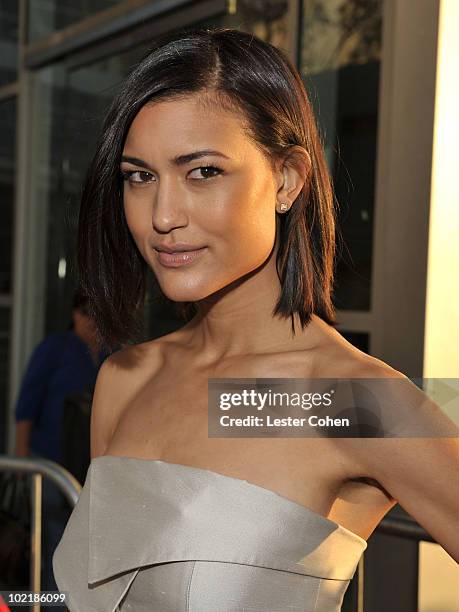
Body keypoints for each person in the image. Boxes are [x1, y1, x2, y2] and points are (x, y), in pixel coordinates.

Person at [52, 27, 459, 611]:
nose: (162, 216)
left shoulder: (348, 401)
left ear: (287, 180)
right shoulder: (127, 378)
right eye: (140, 177)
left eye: (204, 172)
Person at [14, 288, 108, 599]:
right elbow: (26, 407)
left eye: (97, 314)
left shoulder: (110, 355)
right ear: (74, 315)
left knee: (87, 549)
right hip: (52, 464)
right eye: (85, 313)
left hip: (90, 468)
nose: (91, 321)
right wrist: (21, 461)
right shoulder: (55, 349)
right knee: (54, 546)